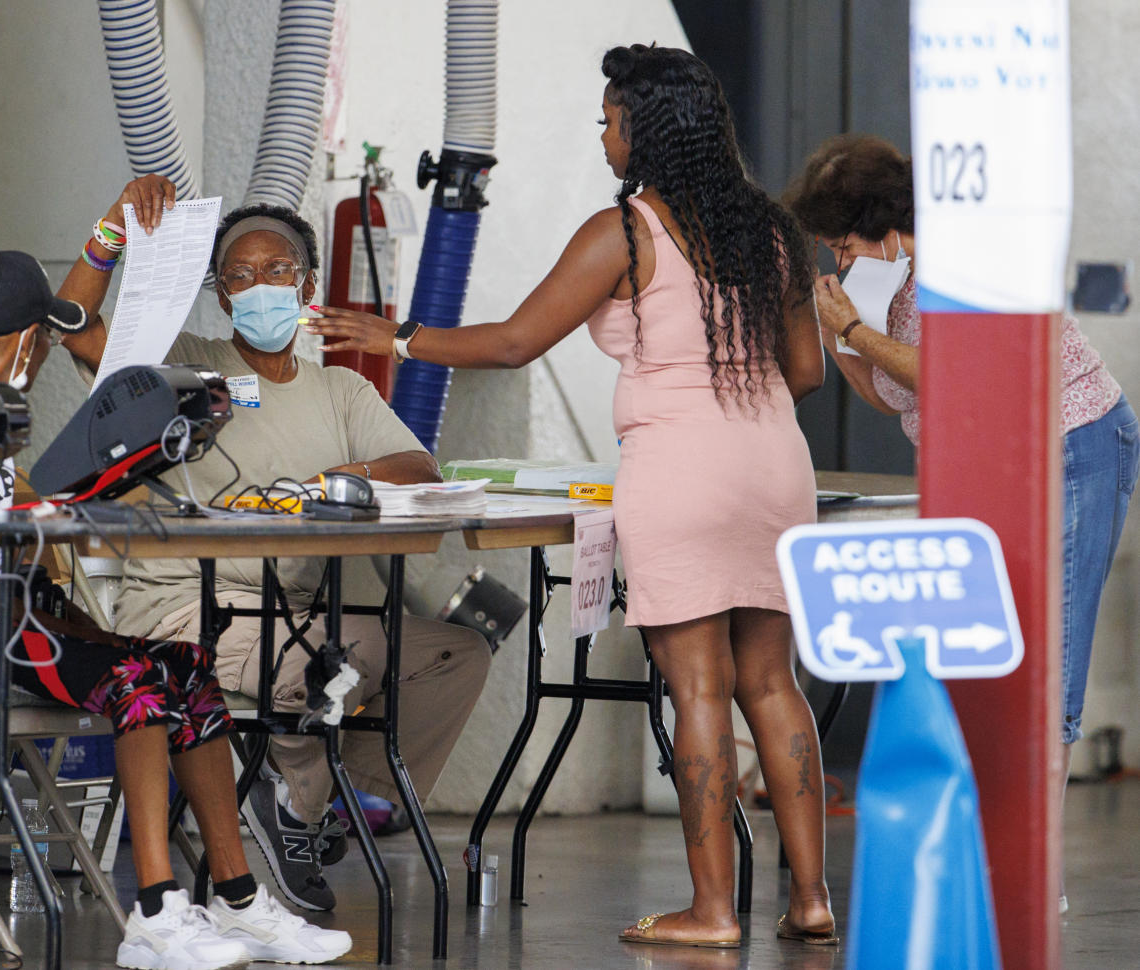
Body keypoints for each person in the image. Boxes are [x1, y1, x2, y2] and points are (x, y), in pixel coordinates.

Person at [310, 44, 837, 949]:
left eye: (609, 118)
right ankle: (812, 900)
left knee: (698, 689)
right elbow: (804, 372)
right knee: (771, 681)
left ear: (646, 128)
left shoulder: (626, 231)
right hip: (777, 468)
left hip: (682, 471)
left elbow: (518, 342)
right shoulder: (773, 232)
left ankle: (712, 913)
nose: (602, 134)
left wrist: (399, 336)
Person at [0, 251, 352, 968]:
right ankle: (156, 916)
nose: (45, 355)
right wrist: (38, 594)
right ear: (30, 338)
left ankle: (238, 901)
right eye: (46, 341)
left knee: (185, 668)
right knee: (137, 677)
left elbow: (1, 545)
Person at [57, 176, 492, 913]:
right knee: (338, 657)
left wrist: (334, 476)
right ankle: (292, 801)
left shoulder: (340, 391)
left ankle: (306, 804)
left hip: (291, 606)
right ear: (222, 298)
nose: (260, 286)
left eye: (278, 270)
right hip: (182, 606)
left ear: (308, 284)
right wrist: (111, 230)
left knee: (454, 654)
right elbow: (76, 326)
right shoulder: (180, 367)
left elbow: (418, 470)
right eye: (240, 276)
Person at [784, 133, 1140, 913]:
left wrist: (851, 331)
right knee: (989, 648)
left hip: (1070, 443)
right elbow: (901, 395)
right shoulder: (884, 281)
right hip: (989, 462)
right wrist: (844, 336)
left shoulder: (957, 262)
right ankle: (987, 853)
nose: (839, 262)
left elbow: (958, 371)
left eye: (843, 245)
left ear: (884, 227)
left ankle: (1033, 875)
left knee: (1054, 649)